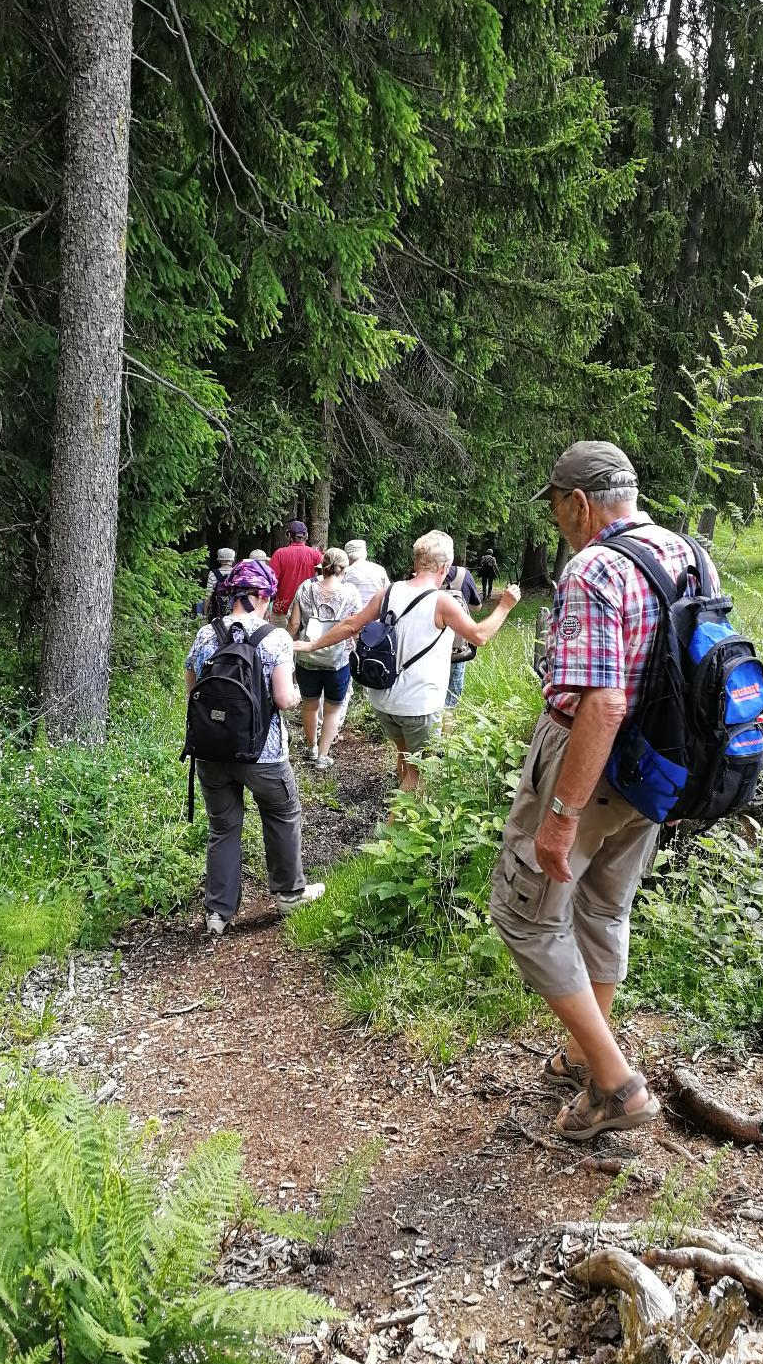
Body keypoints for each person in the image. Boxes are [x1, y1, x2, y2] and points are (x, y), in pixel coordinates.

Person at [489, 440, 720, 1140]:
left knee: (524, 915)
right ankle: (584, 1057)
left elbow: (603, 702)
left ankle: (616, 1086)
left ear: (579, 504)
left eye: (559, 511)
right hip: (657, 769)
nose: (560, 527)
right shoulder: (689, 554)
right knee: (603, 907)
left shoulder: (593, 569)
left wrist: (559, 816)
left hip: (590, 763)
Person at [295, 530, 521, 793]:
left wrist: (311, 644)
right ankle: (394, 832)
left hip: (383, 702)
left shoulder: (388, 592)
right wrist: (505, 605)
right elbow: (479, 636)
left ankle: (400, 813)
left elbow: (350, 625)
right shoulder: (442, 601)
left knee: (404, 757)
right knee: (420, 774)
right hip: (420, 706)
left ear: (415, 562)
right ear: (444, 567)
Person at [184, 558, 325, 937]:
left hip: (211, 753)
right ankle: (288, 894)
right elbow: (283, 699)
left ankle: (217, 913)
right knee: (281, 816)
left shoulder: (205, 636)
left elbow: (192, 693)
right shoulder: (275, 638)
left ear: (232, 594)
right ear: (264, 596)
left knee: (223, 828)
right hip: (264, 755)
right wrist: (295, 693)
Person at [287, 547, 361, 770]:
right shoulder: (351, 593)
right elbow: (355, 627)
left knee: (309, 704)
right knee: (332, 708)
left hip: (307, 657)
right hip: (338, 660)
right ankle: (323, 755)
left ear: (322, 565)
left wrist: (286, 646)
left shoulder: (306, 588)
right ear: (344, 568)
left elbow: (293, 623)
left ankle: (310, 748)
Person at [442, 557, 483, 720]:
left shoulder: (418, 577)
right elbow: (477, 606)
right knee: (453, 686)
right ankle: (447, 729)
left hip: (426, 646)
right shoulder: (462, 575)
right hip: (457, 645)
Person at [269, 521, 322, 624]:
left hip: (282, 609)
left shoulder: (279, 554)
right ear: (306, 536)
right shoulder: (316, 555)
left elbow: (271, 582)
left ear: (289, 535)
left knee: (281, 639)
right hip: (307, 609)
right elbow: (322, 580)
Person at [342, 539, 389, 609]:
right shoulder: (379, 569)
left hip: (355, 616)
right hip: (376, 615)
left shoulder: (346, 572)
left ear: (348, 556)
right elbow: (388, 592)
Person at [202, 547, 237, 619]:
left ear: (219, 559)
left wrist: (205, 615)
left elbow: (208, 595)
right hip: (235, 613)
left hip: (217, 613)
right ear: (232, 559)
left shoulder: (213, 573)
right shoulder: (237, 573)